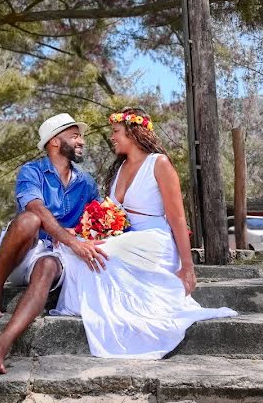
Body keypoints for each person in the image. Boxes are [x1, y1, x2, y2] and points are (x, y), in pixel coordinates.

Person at [50, 107, 236, 359]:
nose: (112, 137)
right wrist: (86, 230)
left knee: (100, 252)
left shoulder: (158, 164)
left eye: (116, 132)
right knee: (78, 246)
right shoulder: (120, 168)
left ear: (133, 132)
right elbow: (109, 213)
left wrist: (187, 266)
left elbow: (178, 218)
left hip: (154, 240)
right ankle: (94, 305)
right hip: (126, 237)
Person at [0, 113, 104, 373]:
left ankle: (0, 346)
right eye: (75, 136)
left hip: (54, 255)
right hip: (22, 251)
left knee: (48, 265)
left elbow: (99, 219)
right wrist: (70, 238)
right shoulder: (32, 171)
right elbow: (35, 207)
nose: (81, 141)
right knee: (29, 220)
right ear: (55, 142)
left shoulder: (87, 183)